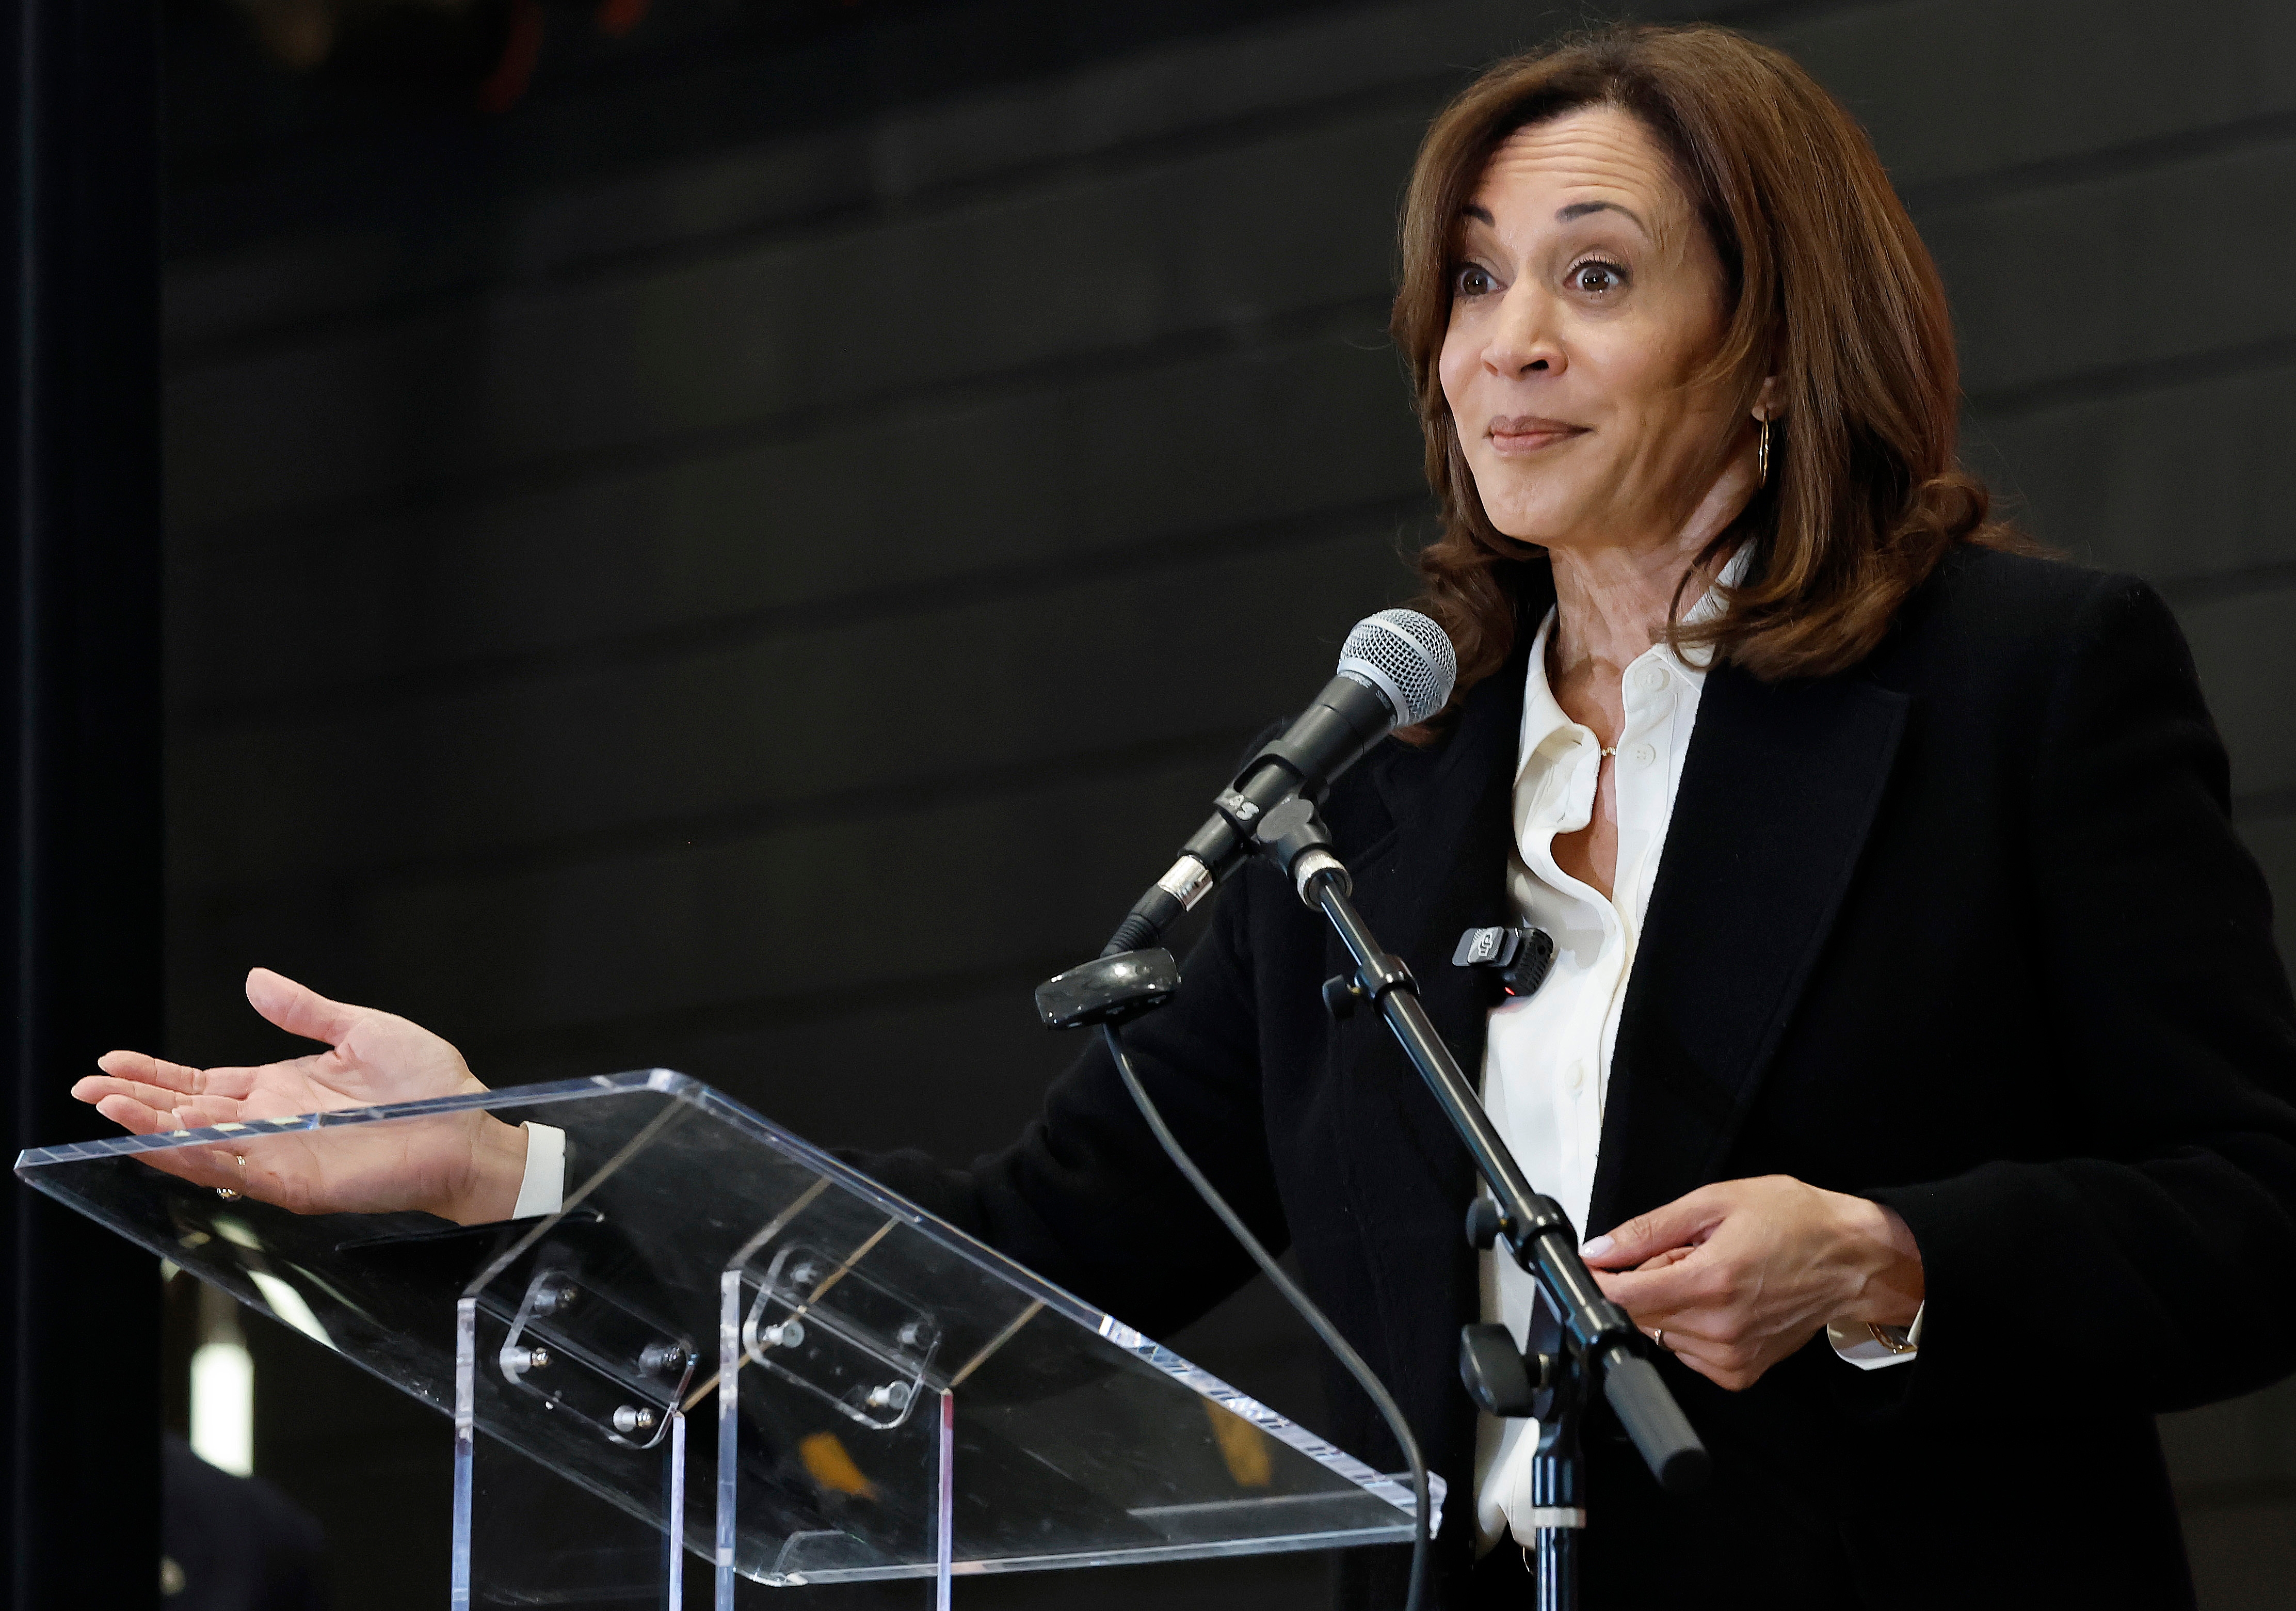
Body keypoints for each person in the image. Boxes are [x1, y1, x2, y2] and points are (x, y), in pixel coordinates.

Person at [76, 23, 2296, 1608]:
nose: (1504, 341)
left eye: (1596, 277)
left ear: (1779, 342)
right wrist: (512, 1154)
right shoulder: (1392, 791)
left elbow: (2257, 1205)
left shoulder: (2020, 684)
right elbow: (1030, 1251)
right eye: (1476, 281)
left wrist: (1897, 1261)